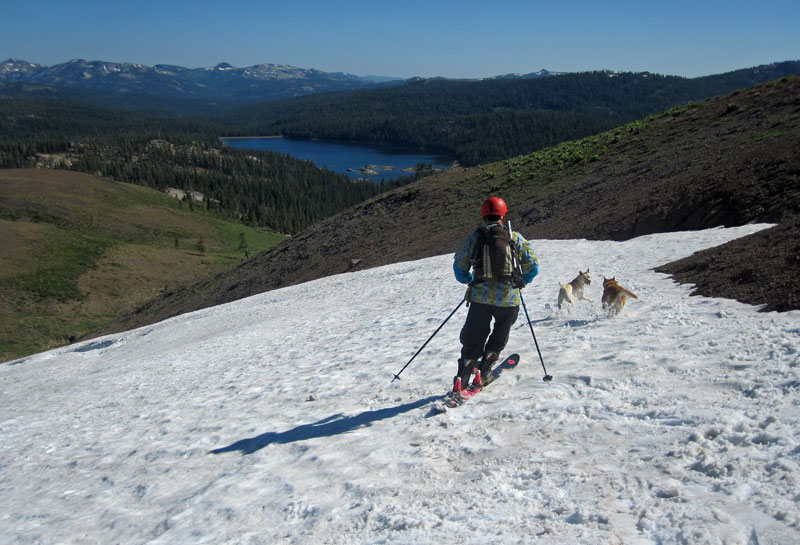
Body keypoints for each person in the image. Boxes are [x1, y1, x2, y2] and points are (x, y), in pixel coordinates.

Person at [451, 197, 539, 392]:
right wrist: (521, 281)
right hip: (509, 298)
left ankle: (463, 376)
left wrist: (470, 280)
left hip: (480, 297)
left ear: (484, 215)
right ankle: (487, 369)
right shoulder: (514, 237)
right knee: (500, 333)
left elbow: (459, 268)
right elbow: (533, 267)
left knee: (474, 336)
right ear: (503, 214)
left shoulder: (476, 236)